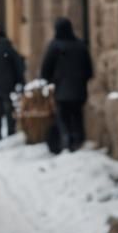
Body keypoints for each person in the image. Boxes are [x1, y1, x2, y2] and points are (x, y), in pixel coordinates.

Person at [40, 17, 94, 152]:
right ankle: (78, 140)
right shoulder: (80, 45)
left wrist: (50, 80)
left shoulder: (55, 46)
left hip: (62, 90)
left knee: (63, 116)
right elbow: (89, 69)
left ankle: (67, 139)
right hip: (79, 90)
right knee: (77, 115)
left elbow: (46, 68)